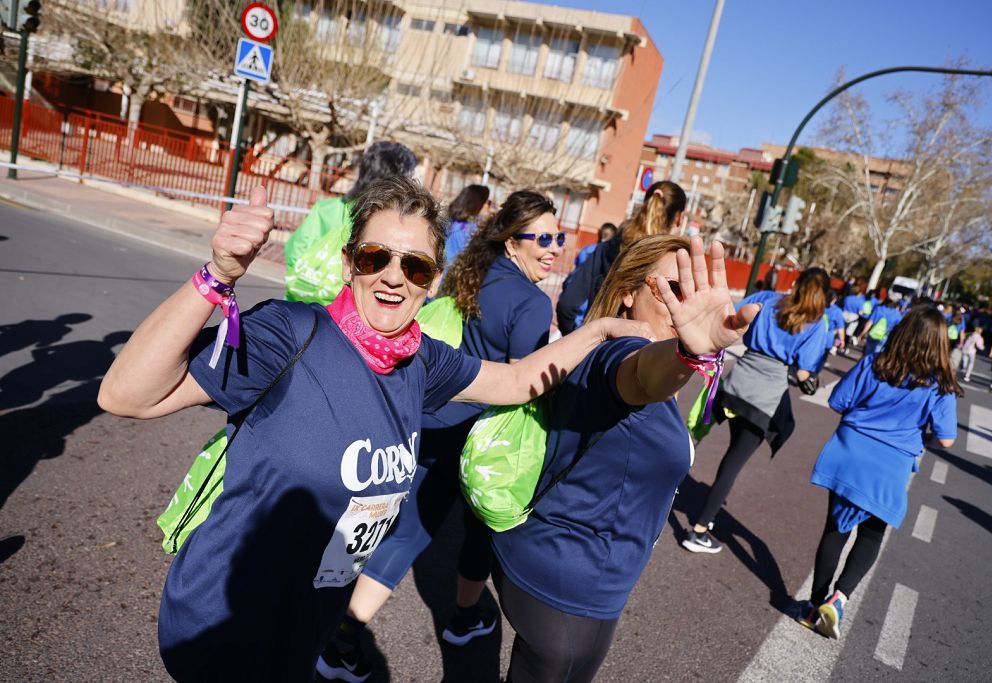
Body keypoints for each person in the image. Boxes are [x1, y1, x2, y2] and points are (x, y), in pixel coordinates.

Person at [97, 177, 652, 682]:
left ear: (431, 280)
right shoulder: (291, 334)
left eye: (415, 266)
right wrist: (216, 275)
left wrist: (600, 331)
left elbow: (516, 380)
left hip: (308, 623)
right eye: (374, 256)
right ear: (348, 263)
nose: (393, 277)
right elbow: (126, 395)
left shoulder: (421, 360)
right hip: (226, 619)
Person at [316, 191, 562, 681]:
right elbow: (520, 385)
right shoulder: (532, 304)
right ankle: (462, 618)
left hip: (427, 418)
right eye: (543, 238)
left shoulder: (476, 274)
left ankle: (341, 636)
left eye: (559, 237)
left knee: (404, 529)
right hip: (474, 438)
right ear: (513, 243)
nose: (554, 248)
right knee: (476, 528)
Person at [492, 234, 759, 682]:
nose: (681, 304)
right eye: (671, 289)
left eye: (690, 292)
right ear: (628, 293)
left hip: (587, 581)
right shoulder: (617, 354)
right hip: (566, 583)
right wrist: (689, 352)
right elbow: (641, 374)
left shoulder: (614, 356)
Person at [798, 305, 960, 638]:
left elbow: (837, 401)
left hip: (849, 453)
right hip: (890, 467)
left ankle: (815, 605)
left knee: (834, 530)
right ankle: (839, 598)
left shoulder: (874, 364)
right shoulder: (939, 386)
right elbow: (946, 439)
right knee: (871, 534)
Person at [683, 268, 830, 554]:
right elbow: (802, 373)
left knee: (693, 436)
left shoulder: (766, 298)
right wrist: (811, 382)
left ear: (796, 283)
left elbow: (731, 316)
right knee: (732, 464)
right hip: (764, 400)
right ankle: (699, 529)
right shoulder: (815, 323)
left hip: (736, 383)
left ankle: (659, 487)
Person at [284, 141, 418, 303]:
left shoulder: (325, 209)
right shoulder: (391, 225)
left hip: (298, 303)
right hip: (344, 316)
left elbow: (294, 251)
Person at [556, 181, 687, 336]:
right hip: (643, 352)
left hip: (597, 346)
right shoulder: (671, 262)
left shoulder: (607, 248)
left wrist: (578, 339)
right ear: (679, 217)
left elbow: (567, 303)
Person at [442, 184, 491, 265]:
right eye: (488, 202)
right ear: (478, 204)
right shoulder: (470, 231)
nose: (490, 207)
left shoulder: (449, 222)